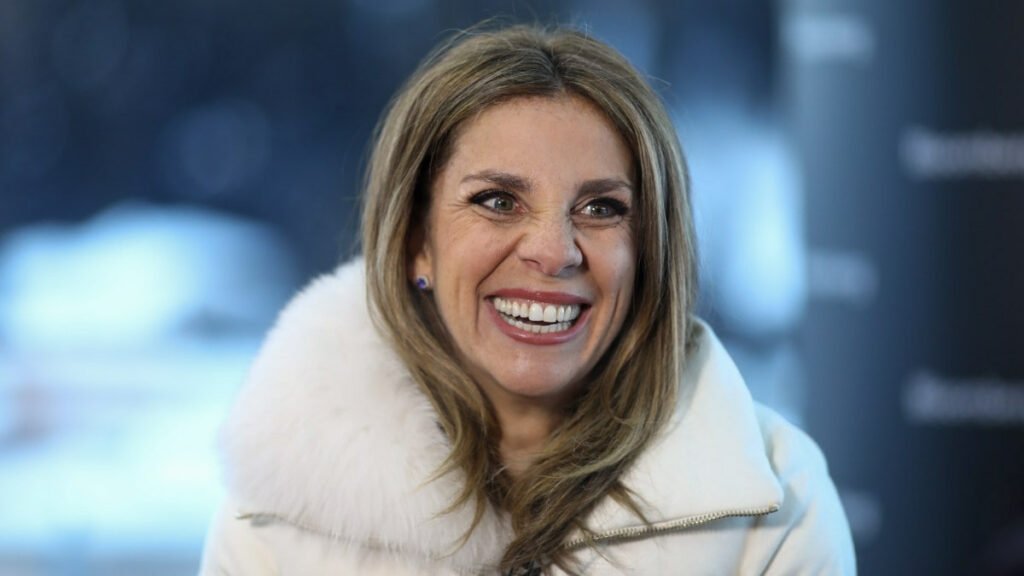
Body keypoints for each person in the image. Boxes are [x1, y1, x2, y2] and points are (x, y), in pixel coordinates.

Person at [199, 24, 856, 575]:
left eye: (601, 208)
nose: (553, 251)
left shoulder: (780, 506)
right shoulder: (276, 511)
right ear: (416, 243)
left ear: (650, 253)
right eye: (497, 201)